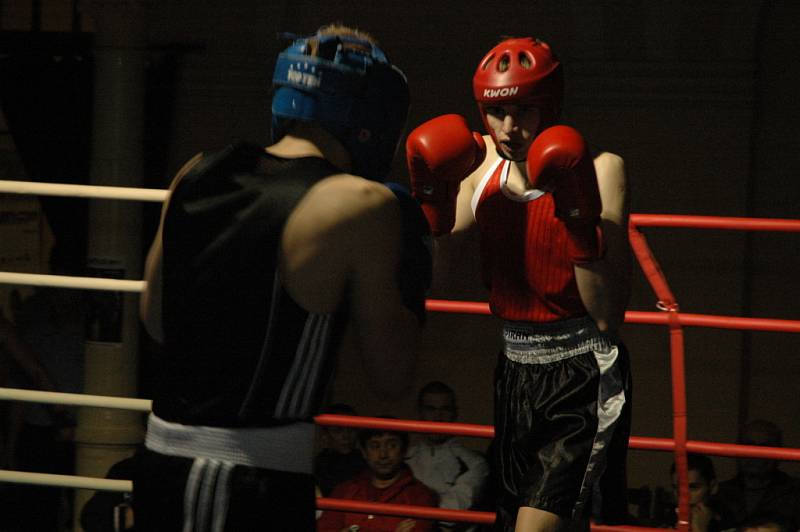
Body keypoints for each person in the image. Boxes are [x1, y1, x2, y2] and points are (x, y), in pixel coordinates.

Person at [135, 24, 431, 531]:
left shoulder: (197, 169)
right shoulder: (361, 204)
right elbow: (392, 377)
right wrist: (418, 258)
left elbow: (155, 320)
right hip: (244, 474)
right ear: (373, 113)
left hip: (161, 461)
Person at [405, 36, 632, 531]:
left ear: (551, 106)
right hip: (513, 371)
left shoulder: (600, 168)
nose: (509, 128)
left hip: (582, 371)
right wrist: (435, 206)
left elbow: (607, 314)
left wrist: (576, 217)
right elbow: (435, 281)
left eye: (525, 111)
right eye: (495, 112)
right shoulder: (477, 163)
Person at [317, 424, 439, 532]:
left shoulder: (421, 497)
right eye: (375, 446)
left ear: (404, 451)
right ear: (364, 452)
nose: (383, 455)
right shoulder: (344, 491)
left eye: (392, 445)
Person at [405, 381, 489, 531]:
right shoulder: (403, 458)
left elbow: (450, 515)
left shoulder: (475, 463)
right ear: (420, 413)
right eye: (431, 409)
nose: (438, 416)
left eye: (445, 409)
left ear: (454, 414)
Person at [716, 420, 800, 531]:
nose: (756, 453)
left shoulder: (795, 491)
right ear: (736, 449)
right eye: (748, 445)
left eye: (765, 447)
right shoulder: (720, 493)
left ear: (780, 451)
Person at [667, 453, 735, 532]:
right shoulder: (670, 516)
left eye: (693, 487)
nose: (684, 496)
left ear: (713, 487)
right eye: (676, 488)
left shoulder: (725, 519)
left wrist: (700, 529)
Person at [315, 403, 367, 495]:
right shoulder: (318, 465)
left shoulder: (366, 462)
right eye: (338, 430)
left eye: (351, 429)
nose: (346, 436)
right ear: (325, 435)